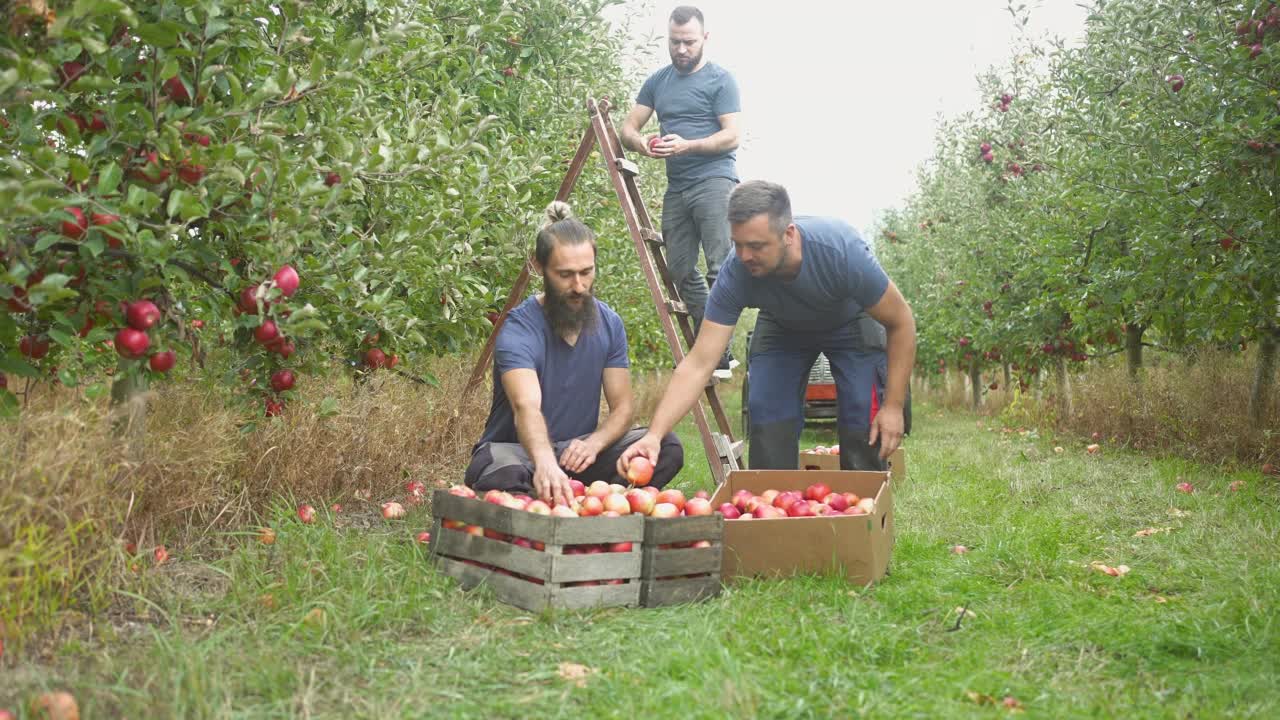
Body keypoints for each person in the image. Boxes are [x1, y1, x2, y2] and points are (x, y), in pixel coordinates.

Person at [618, 180, 916, 475]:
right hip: (783, 328)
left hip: (851, 321)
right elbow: (699, 363)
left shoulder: (841, 251)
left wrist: (892, 406)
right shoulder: (736, 273)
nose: (745, 256)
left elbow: (901, 323)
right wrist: (654, 435)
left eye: (757, 246)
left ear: (788, 234)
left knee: (864, 417)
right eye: (738, 244)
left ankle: (862, 510)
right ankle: (774, 510)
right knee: (768, 415)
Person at [465, 201, 684, 507]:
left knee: (667, 446)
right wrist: (544, 462)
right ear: (540, 268)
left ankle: (590, 503)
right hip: (519, 454)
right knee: (497, 470)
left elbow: (622, 408)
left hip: (576, 456)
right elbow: (525, 406)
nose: (579, 286)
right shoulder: (518, 329)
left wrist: (594, 444)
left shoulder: (610, 324)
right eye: (565, 275)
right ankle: (568, 496)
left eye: (586, 272)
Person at [620, 5, 741, 377]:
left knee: (720, 267)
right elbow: (627, 128)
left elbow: (732, 135)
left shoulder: (721, 80)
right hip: (679, 186)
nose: (681, 49)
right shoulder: (658, 81)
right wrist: (644, 144)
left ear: (704, 38)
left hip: (715, 180)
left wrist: (688, 145)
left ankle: (717, 352)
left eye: (688, 42)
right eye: (675, 42)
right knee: (678, 267)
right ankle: (715, 352)